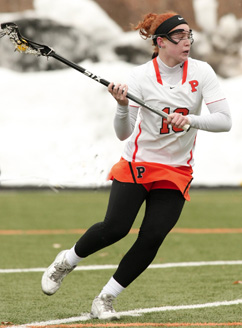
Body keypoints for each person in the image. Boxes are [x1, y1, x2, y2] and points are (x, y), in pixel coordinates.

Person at [41, 12, 232, 320]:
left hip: (176, 169)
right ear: (161, 42)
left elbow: (224, 122)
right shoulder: (140, 77)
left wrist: (190, 119)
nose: (187, 42)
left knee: (154, 235)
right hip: (138, 162)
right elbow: (123, 133)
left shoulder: (202, 71)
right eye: (179, 36)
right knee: (115, 228)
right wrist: (120, 106)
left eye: (189, 35)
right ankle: (67, 260)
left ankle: (105, 299)